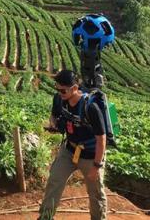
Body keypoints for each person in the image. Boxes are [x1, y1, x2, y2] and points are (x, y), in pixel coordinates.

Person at [38, 70, 107, 220]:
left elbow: (101, 138)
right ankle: (45, 217)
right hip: (69, 149)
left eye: (63, 90)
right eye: (57, 88)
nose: (59, 92)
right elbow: (54, 116)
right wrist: (54, 125)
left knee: (95, 193)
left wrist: (96, 166)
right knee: (54, 181)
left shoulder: (90, 107)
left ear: (75, 88)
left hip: (90, 154)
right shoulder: (59, 99)